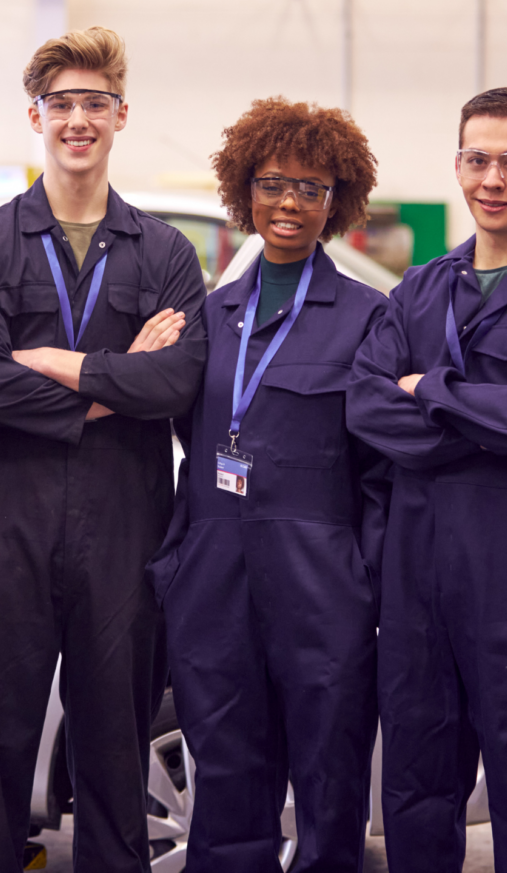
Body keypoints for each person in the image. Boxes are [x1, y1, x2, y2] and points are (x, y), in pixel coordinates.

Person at [347, 87, 507, 873]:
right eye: (477, 159)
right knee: (416, 791)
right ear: (457, 165)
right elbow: (365, 407)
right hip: (415, 582)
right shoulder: (418, 287)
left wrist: (430, 388)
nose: (492, 178)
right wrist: (492, 411)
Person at [148, 97, 390, 872]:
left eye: (311, 188)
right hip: (215, 574)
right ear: (242, 191)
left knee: (328, 771)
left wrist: (365, 577)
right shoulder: (207, 315)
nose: (289, 203)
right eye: (273, 183)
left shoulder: (367, 317)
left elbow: (382, 468)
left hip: (320, 579)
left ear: (338, 203)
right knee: (223, 768)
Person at [0, 27, 207, 873]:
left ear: (121, 115)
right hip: (10, 520)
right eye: (61, 105)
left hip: (124, 526)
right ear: (36, 116)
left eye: (94, 104)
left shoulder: (163, 251)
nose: (77, 120)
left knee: (115, 736)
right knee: (2, 725)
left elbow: (178, 382)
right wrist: (108, 389)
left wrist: (52, 362)